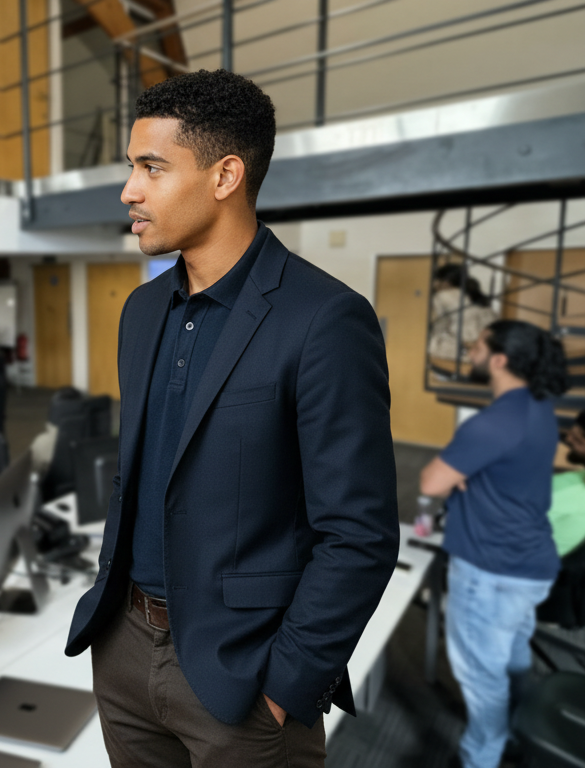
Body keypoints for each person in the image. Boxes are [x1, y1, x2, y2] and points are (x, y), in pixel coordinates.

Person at [65, 69, 399, 767]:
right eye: (132, 168)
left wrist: (286, 686)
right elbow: (139, 477)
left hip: (244, 676)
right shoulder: (141, 312)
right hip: (123, 650)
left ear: (225, 176)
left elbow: (359, 534)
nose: (129, 190)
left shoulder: (325, 320)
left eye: (151, 168)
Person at [421, 320, 568, 768]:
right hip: (531, 566)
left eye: (478, 344)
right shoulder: (539, 406)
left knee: (483, 678)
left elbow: (430, 480)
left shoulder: (493, 423)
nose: (470, 350)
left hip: (490, 571)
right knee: (513, 660)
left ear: (499, 360)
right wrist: (466, 477)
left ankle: (481, 757)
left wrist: (459, 478)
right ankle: (526, 734)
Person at [429, 264, 498, 372]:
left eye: (435, 279)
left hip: (460, 346)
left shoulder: (442, 295)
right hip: (484, 348)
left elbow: (436, 321)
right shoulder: (473, 294)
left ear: (445, 281)